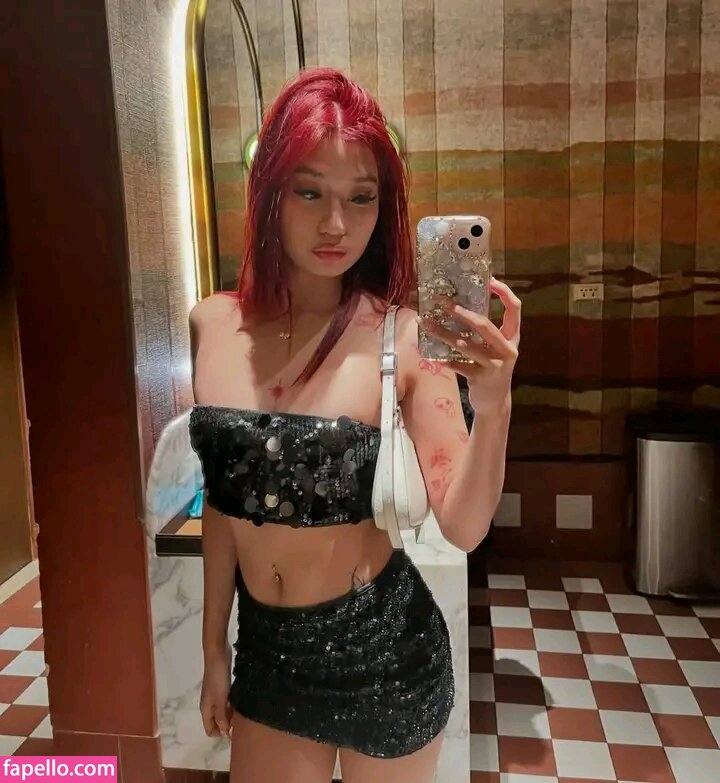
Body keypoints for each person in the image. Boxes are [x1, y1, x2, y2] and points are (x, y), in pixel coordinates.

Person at [188, 67, 520, 783]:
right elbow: (224, 502)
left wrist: (494, 406)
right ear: (269, 192)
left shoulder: (403, 338)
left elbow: (464, 526)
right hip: (269, 658)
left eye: (361, 197)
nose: (336, 224)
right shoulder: (212, 325)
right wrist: (213, 647)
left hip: (386, 656)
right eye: (309, 191)